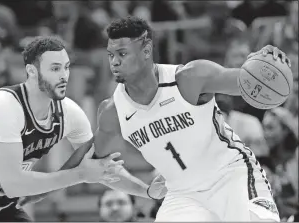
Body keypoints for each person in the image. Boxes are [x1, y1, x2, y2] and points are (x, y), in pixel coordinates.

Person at [21, 17, 291, 221]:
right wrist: (146, 191)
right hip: (182, 194)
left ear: (146, 51)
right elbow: (99, 167)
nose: (114, 62)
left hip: (231, 176)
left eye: (123, 54)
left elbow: (246, 82)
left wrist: (266, 66)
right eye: (111, 55)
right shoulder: (112, 112)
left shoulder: (190, 78)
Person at [0, 36, 125, 222]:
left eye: (66, 67)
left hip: (1, 205)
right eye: (55, 68)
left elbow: (97, 161)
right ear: (31, 71)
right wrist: (80, 174)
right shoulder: (2, 104)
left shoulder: (68, 111)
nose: (63, 75)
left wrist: (147, 190)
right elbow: (13, 184)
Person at [258, 107, 298, 221]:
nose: (265, 134)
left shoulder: (296, 160)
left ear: (286, 130)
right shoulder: (261, 161)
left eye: (270, 128)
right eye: (264, 128)